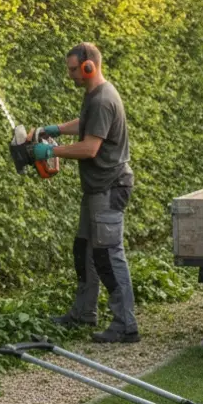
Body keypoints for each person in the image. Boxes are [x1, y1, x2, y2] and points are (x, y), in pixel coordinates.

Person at [32, 42, 139, 343]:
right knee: (85, 249)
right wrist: (55, 130)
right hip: (95, 189)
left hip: (109, 188)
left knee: (107, 255)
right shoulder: (94, 95)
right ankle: (84, 312)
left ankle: (126, 325)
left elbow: (91, 148)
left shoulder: (104, 98)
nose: (70, 75)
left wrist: (50, 150)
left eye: (73, 69)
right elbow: (87, 125)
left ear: (88, 65)